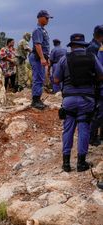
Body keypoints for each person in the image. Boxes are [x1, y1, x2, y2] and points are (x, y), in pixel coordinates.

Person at [53, 33, 103, 172]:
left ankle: (66, 163)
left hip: (69, 100)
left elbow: (56, 80)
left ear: (72, 46)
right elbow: (101, 75)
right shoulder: (92, 57)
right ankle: (81, 163)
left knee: (68, 129)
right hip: (87, 100)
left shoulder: (64, 59)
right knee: (83, 128)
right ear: (83, 45)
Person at [29, 10, 52, 110]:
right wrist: (42, 58)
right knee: (38, 78)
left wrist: (47, 58)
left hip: (41, 57)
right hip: (37, 57)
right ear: (40, 17)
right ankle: (35, 101)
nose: (48, 20)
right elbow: (38, 45)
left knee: (41, 78)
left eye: (48, 18)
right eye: (46, 18)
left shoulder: (42, 30)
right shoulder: (38, 30)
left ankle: (38, 99)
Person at [88, 25, 103, 146]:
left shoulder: (92, 45)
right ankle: (93, 137)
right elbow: (98, 70)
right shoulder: (95, 48)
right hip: (97, 84)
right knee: (98, 111)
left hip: (95, 83)